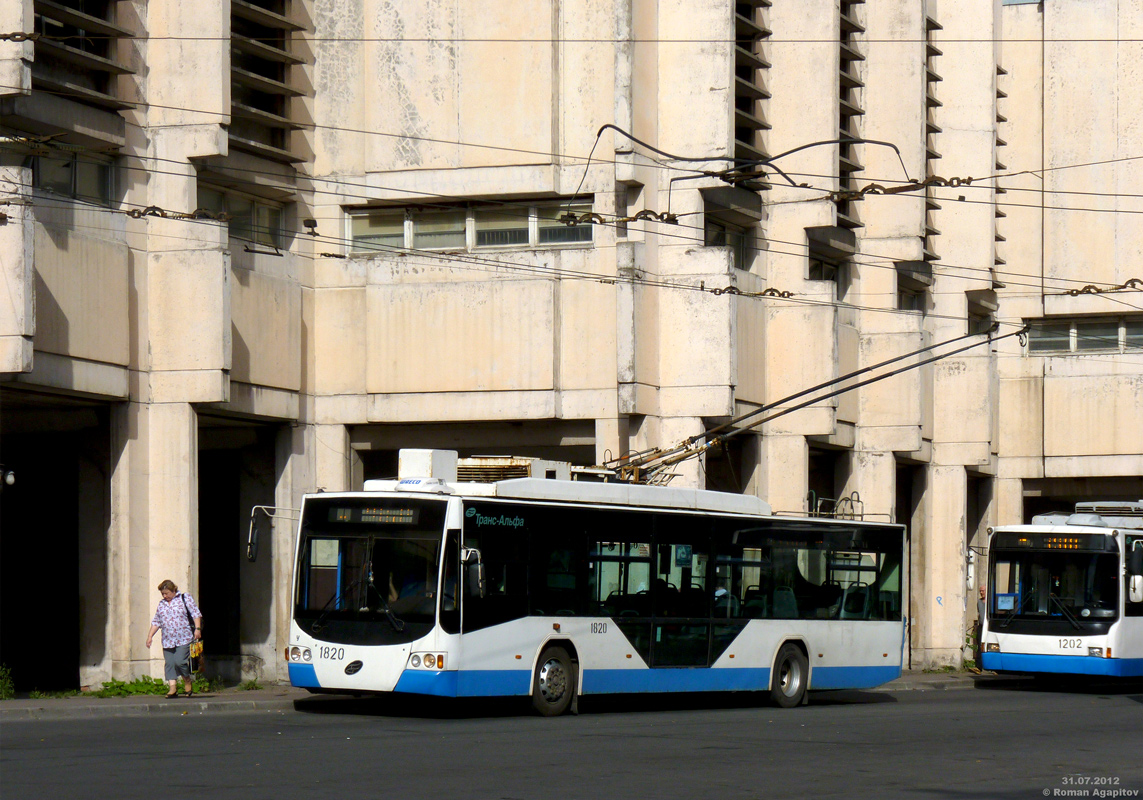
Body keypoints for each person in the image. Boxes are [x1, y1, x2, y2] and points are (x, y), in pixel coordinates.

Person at [145, 579, 203, 699]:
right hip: (167, 639)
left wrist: (197, 629)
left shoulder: (184, 598)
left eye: (166, 593)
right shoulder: (162, 604)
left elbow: (195, 614)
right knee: (170, 664)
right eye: (163, 594)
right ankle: (172, 689)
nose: (164, 596)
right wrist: (150, 636)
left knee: (180, 662)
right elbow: (156, 621)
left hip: (184, 637)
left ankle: (187, 680)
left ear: (173, 590)